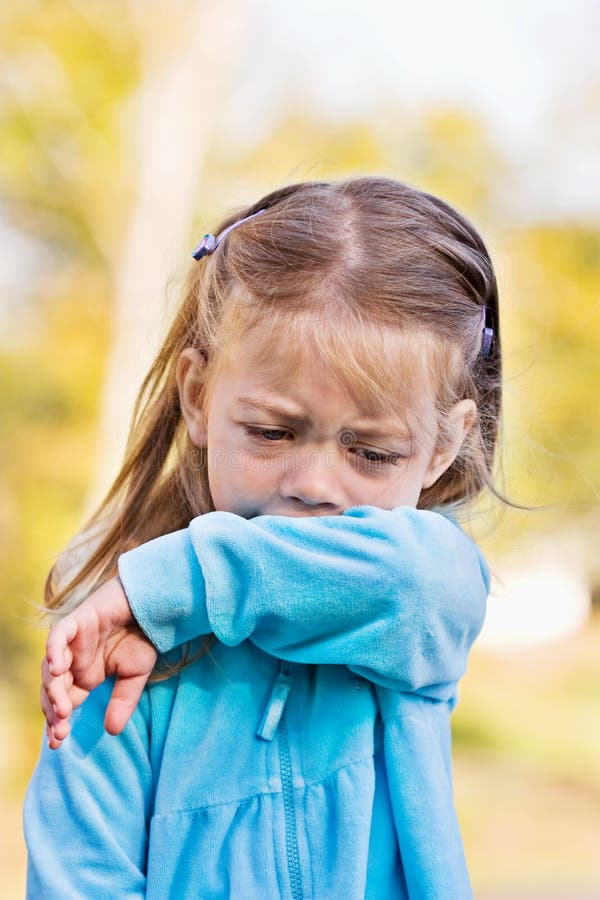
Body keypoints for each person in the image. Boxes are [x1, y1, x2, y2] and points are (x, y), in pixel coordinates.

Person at [24, 177, 501, 899]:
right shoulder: (119, 654)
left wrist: (183, 581)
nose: (314, 483)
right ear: (197, 397)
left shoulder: (424, 594)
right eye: (272, 432)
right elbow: (77, 879)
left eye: (370, 453)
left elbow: (416, 582)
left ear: (441, 448)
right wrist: (155, 608)